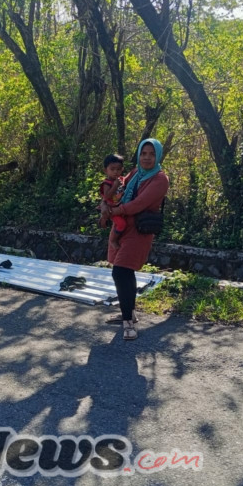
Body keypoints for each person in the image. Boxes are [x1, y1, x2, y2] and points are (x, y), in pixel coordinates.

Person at [103, 138, 169, 340]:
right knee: (125, 271)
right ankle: (128, 312)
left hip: (138, 230)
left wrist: (115, 209)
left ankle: (128, 323)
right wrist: (106, 202)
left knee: (121, 271)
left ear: (158, 156)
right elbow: (118, 188)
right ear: (139, 155)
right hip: (122, 226)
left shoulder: (159, 179)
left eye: (151, 154)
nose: (147, 158)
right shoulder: (135, 173)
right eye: (143, 153)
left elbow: (140, 203)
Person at [98, 154, 127, 251]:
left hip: (120, 206)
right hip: (111, 208)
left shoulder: (122, 180)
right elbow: (106, 196)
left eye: (118, 169)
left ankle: (103, 219)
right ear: (106, 170)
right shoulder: (107, 183)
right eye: (112, 169)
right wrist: (115, 186)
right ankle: (113, 240)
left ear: (122, 169)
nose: (115, 172)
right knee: (122, 224)